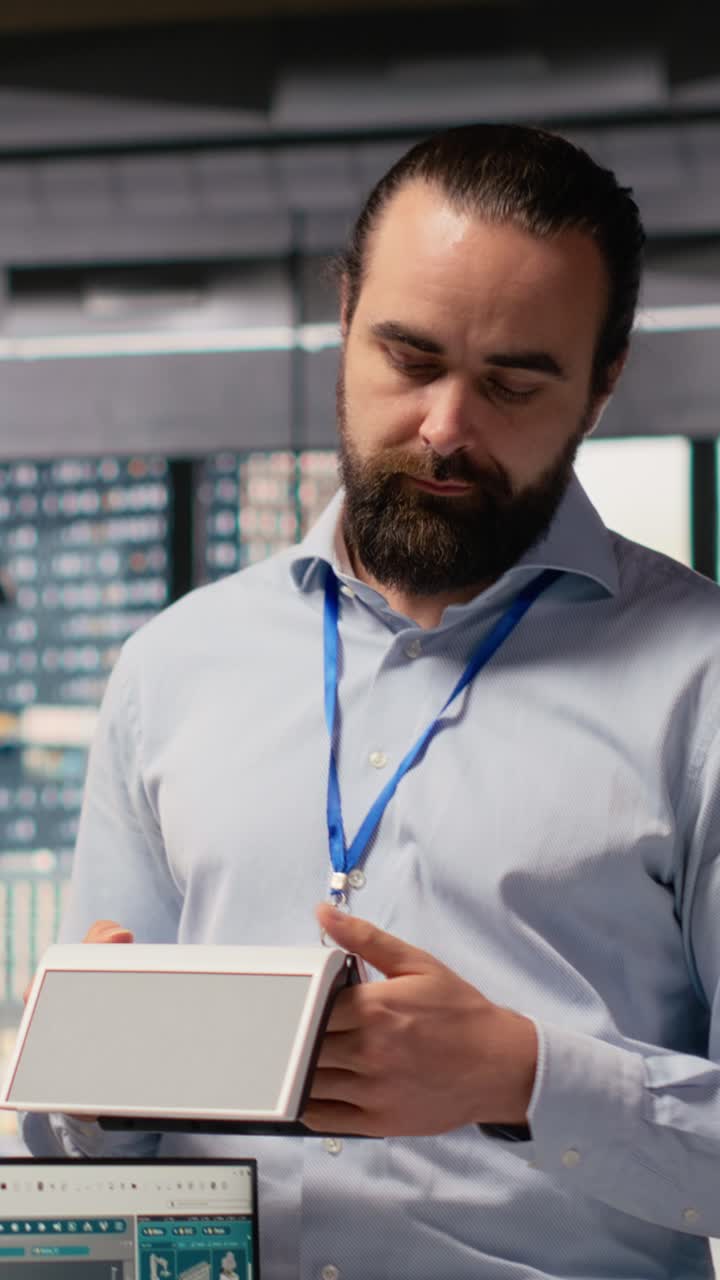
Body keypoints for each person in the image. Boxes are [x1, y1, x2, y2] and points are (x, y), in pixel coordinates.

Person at [22, 123, 720, 1279]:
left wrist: (526, 1076)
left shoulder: (700, 681)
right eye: (409, 357)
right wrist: (91, 1102)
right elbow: (86, 1158)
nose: (447, 427)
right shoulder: (174, 665)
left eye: (512, 380)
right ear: (346, 315)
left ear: (603, 382)